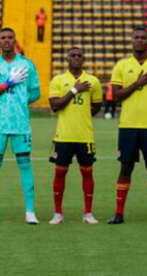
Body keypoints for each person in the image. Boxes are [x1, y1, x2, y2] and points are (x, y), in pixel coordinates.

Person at [107, 27, 147, 225]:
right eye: (137, 38)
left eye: (143, 38)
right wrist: (138, 83)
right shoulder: (122, 65)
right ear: (131, 40)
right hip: (128, 125)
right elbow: (117, 95)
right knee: (125, 167)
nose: (140, 41)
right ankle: (118, 213)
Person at [0, 27, 41, 224]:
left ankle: (30, 212)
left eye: (10, 38)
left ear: (15, 40)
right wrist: (6, 84)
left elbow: (36, 92)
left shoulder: (27, 65)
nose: (6, 41)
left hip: (20, 124)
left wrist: (20, 101)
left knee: (25, 164)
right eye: (3, 38)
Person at [48, 47, 103, 225]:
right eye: (73, 55)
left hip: (85, 136)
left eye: (79, 56)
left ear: (84, 59)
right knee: (60, 173)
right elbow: (55, 106)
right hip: (63, 136)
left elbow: (96, 106)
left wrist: (82, 116)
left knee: (87, 173)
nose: (76, 58)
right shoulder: (58, 80)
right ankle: (58, 213)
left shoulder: (93, 81)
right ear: (67, 59)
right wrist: (74, 90)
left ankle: (88, 213)